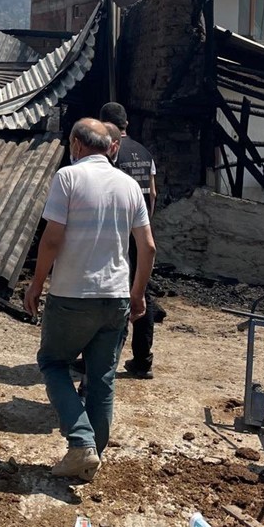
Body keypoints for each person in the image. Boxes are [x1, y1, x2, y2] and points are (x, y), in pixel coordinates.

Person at [24, 118, 155, 481]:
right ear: (109, 146)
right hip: (115, 297)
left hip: (72, 294)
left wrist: (36, 284)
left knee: (53, 363)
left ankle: (81, 444)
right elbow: (147, 246)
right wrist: (138, 292)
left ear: (76, 145)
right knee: (102, 379)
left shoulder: (68, 177)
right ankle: (91, 457)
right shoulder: (129, 186)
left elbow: (51, 240)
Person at [99, 102, 158, 380]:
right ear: (127, 124)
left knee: (109, 293)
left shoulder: (110, 153)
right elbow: (153, 194)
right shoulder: (145, 153)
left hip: (116, 233)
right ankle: (142, 360)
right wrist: (146, 225)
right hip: (140, 231)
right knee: (141, 289)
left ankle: (97, 359)